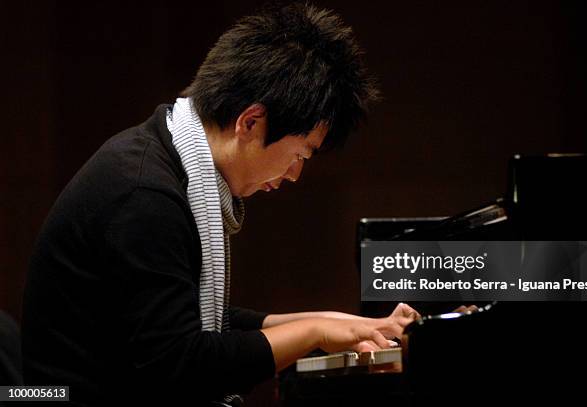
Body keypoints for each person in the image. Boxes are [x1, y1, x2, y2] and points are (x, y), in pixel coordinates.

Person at [21, 3, 420, 405]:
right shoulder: (144, 194)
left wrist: (333, 323)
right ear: (251, 122)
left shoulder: (168, 159)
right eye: (301, 154)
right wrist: (313, 332)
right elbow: (179, 363)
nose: (294, 175)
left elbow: (193, 322)